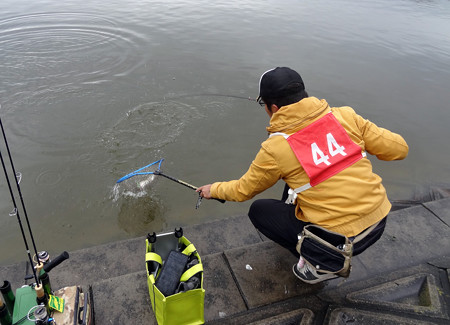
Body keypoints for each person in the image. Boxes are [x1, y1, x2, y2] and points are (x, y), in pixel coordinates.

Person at [197, 67, 409, 284]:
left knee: (259, 211)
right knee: (298, 179)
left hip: (337, 241)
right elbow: (399, 149)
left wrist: (213, 190)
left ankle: (317, 262)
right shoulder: (344, 116)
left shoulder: (277, 147)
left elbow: (243, 190)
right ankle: (316, 245)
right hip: (377, 223)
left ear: (273, 107)